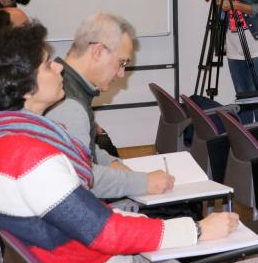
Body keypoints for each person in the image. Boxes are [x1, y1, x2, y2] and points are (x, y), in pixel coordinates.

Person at [0, 23, 240, 263]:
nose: (59, 68)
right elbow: (103, 232)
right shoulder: (31, 159)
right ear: (25, 87)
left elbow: (87, 218)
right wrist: (196, 230)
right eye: (48, 64)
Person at [45, 12, 173, 199]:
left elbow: (81, 149)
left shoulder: (68, 87)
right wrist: (144, 182)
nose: (121, 74)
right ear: (97, 52)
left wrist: (112, 164)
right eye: (122, 62)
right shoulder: (69, 106)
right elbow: (80, 179)